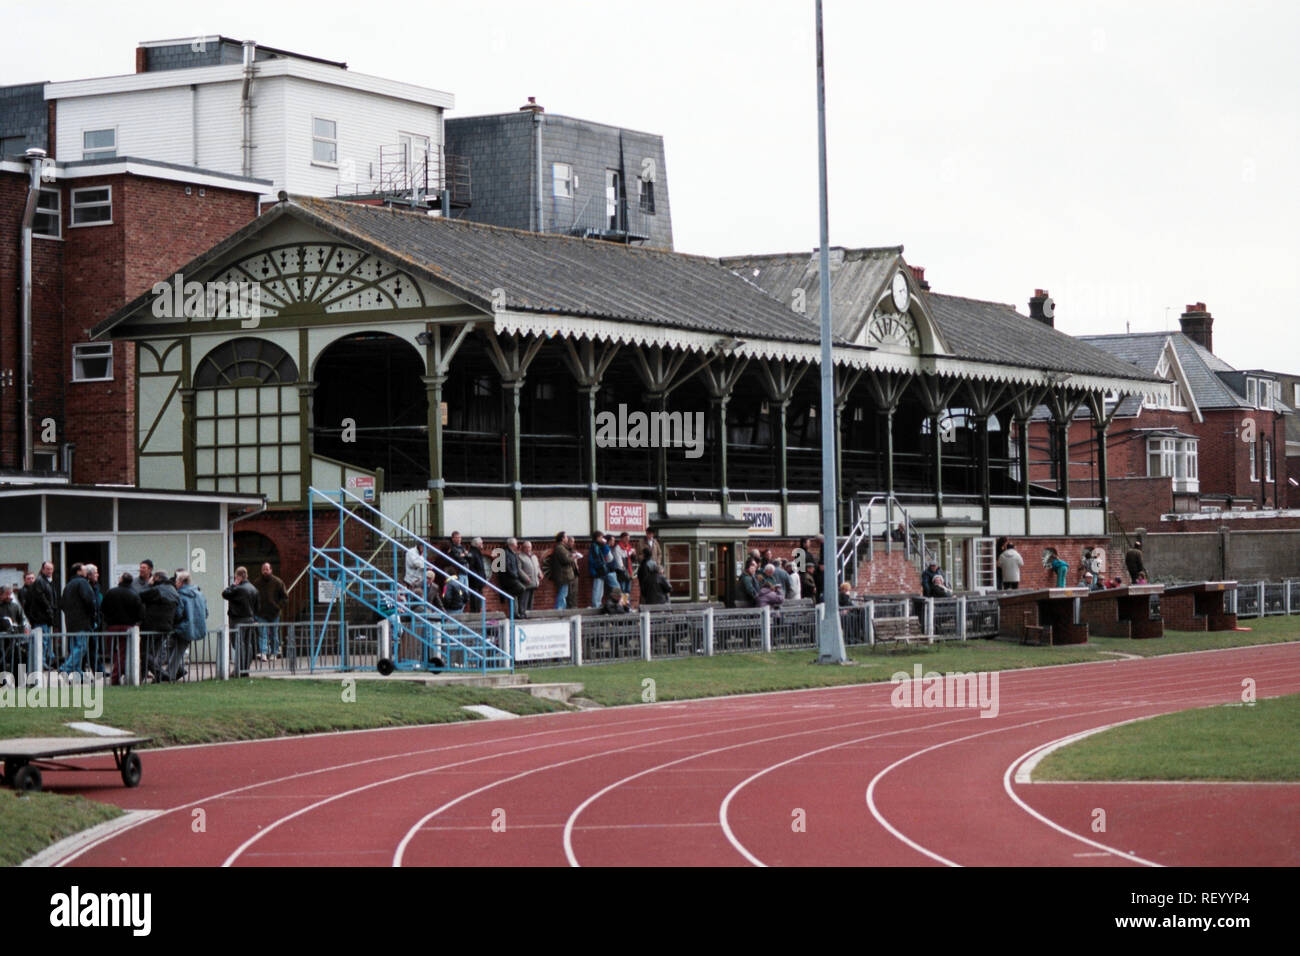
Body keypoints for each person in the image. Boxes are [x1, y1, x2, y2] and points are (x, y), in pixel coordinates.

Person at [100, 572, 144, 685]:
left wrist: (107, 620)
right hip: (128, 627)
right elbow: (140, 612)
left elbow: (103, 608)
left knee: (113, 651)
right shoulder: (134, 594)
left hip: (112, 626)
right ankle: (119, 673)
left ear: (121, 580)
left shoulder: (111, 592)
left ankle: (116, 674)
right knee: (124, 652)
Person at [140, 570, 184, 681]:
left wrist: (149, 585)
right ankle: (143, 676)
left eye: (153, 577)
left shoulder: (156, 590)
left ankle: (162, 674)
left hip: (152, 626)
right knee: (153, 654)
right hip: (167, 626)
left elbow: (140, 596)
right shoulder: (173, 590)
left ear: (157, 578)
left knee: (145, 654)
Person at [59, 563, 97, 673]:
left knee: (75, 647)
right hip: (82, 622)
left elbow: (62, 604)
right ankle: (65, 667)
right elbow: (89, 600)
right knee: (81, 647)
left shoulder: (68, 585)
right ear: (78, 571)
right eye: (84, 569)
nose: (87, 572)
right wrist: (92, 615)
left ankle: (78, 673)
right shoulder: (83, 583)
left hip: (70, 622)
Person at [172, 571, 209, 681]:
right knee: (176, 650)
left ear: (181, 582)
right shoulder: (200, 594)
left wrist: (174, 622)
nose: (175, 584)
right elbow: (206, 612)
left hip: (183, 627)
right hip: (195, 627)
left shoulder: (180, 595)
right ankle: (176, 671)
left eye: (176, 581)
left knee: (175, 651)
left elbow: (178, 613)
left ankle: (169, 674)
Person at [222, 567, 259, 675]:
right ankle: (245, 669)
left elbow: (225, 594)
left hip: (238, 619)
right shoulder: (253, 589)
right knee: (248, 644)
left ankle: (239, 669)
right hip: (250, 619)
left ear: (238, 576)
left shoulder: (238, 589)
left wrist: (234, 584)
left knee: (238, 644)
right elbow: (257, 606)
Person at [24, 562, 57, 667]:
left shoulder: (47, 582)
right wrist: (49, 610)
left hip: (44, 617)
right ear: (42, 569)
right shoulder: (40, 582)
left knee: (45, 641)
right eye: (47, 569)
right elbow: (42, 599)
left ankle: (45, 661)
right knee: (42, 642)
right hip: (41, 617)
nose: (49, 571)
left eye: (51, 569)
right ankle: (41, 663)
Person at [254, 562, 288, 661]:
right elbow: (254, 597)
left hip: (274, 613)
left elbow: (285, 597)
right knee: (262, 634)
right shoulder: (257, 583)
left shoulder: (278, 582)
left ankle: (274, 652)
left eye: (267, 569)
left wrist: (278, 607)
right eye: (263, 569)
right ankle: (263, 652)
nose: (265, 571)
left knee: (274, 634)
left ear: (271, 570)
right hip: (261, 613)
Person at [497, 537, 530, 619]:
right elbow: (506, 568)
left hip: (513, 578)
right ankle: (519, 612)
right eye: (516, 544)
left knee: (515, 594)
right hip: (509, 579)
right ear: (512, 545)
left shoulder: (513, 553)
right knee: (521, 589)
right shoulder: (505, 553)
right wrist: (515, 575)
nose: (517, 546)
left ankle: (517, 613)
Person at [546, 532, 578, 611]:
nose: (567, 538)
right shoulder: (560, 548)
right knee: (562, 593)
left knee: (564, 593)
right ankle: (559, 609)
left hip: (564, 575)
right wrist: (573, 557)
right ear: (562, 538)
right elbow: (565, 559)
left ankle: (561, 608)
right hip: (563, 575)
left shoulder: (562, 548)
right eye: (566, 537)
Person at [588, 532, 617, 608]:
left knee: (600, 589)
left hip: (601, 570)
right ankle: (596, 604)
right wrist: (599, 567)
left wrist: (605, 545)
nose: (602, 539)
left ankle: (598, 603)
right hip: (598, 570)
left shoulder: (600, 546)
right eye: (601, 537)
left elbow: (609, 557)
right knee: (597, 588)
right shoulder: (595, 546)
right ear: (597, 538)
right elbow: (595, 559)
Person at [465, 537, 489, 613]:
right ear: (477, 544)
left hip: (479, 580)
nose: (482, 544)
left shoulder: (478, 553)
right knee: (475, 598)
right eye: (481, 543)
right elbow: (471, 567)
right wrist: (477, 578)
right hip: (475, 581)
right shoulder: (472, 553)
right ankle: (475, 612)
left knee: (479, 598)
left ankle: (478, 611)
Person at [519, 540, 542, 614]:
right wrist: (525, 578)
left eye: (530, 547)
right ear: (523, 548)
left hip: (534, 581)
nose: (529, 549)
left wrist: (540, 573)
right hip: (526, 582)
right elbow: (519, 569)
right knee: (524, 599)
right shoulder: (520, 556)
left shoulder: (534, 556)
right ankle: (523, 613)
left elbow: (537, 566)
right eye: (527, 547)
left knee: (531, 599)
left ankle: (529, 613)